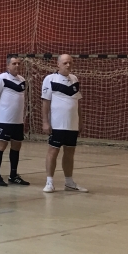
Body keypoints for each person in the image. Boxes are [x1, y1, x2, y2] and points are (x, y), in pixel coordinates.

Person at [42, 54, 87, 193]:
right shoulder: (50, 79)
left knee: (69, 153)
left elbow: (77, 102)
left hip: (72, 124)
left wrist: (80, 121)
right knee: (53, 151)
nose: (68, 65)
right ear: (58, 64)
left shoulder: (74, 79)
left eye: (70, 63)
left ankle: (69, 182)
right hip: (57, 124)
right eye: (65, 63)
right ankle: (49, 182)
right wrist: (45, 122)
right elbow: (45, 102)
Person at [0, 55, 30, 187]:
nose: (17, 65)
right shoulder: (0, 79)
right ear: (7, 65)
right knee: (1, 145)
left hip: (18, 121)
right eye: (14, 63)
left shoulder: (22, 80)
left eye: (18, 63)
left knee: (16, 146)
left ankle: (13, 175)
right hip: (4, 120)